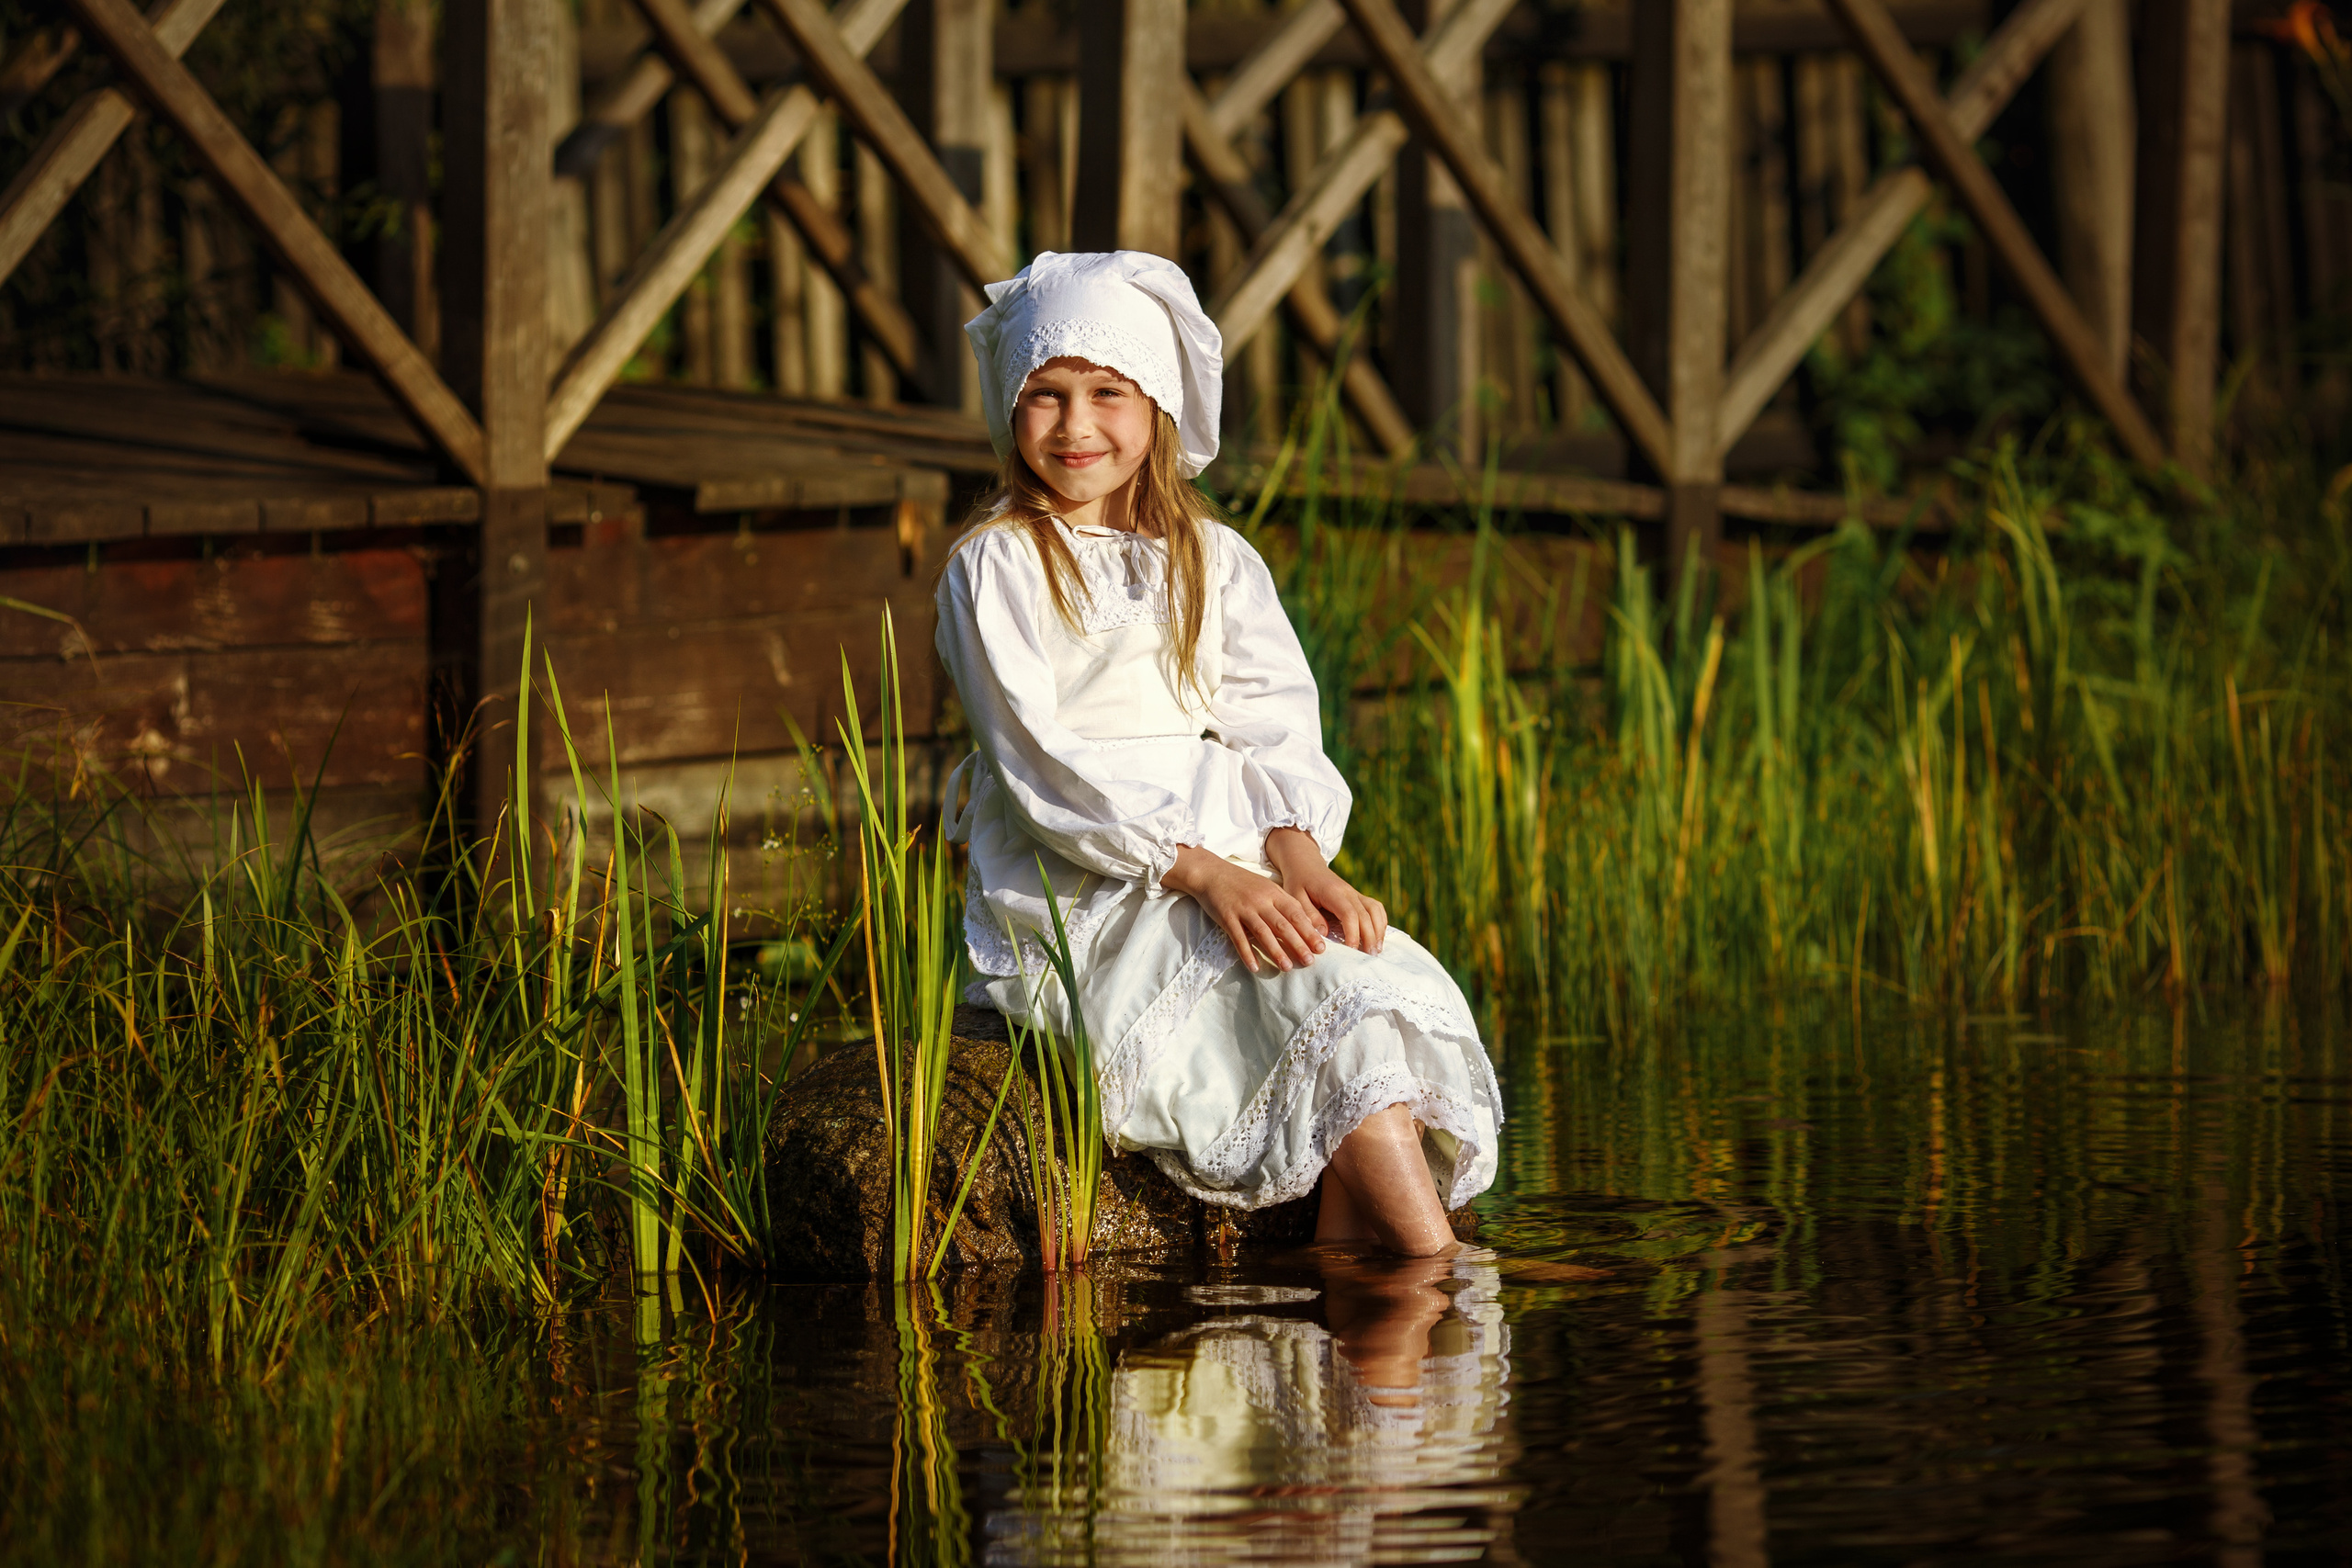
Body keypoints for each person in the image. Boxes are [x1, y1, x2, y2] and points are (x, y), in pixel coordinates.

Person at [936, 251, 1501, 1257]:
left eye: (1107, 393)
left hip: (1231, 853)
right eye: (1045, 395)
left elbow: (1271, 718)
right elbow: (1038, 761)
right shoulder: (999, 563)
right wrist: (1195, 873)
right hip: (1087, 878)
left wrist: (1298, 859)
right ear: (1009, 407)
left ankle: (1359, 1281)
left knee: (1367, 997)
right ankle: (1438, 1272)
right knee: (1320, 1006)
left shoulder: (1212, 558)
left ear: (1156, 405)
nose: (1075, 426)